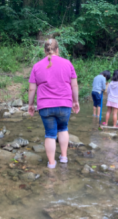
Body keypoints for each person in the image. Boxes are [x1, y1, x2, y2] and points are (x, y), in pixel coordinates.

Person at [28, 38, 80, 169]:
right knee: (63, 128)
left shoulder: (37, 66)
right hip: (64, 104)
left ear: (45, 50)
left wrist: (30, 104)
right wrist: (76, 101)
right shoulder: (67, 63)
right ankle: (64, 157)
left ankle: (51, 163)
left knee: (50, 134)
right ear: (58, 50)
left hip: (45, 106)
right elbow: (74, 85)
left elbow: (32, 88)